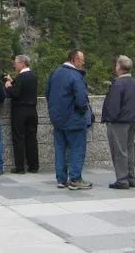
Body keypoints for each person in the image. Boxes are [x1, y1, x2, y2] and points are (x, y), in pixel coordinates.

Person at [45, 49, 93, 190]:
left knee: (60, 149)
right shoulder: (76, 76)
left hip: (57, 119)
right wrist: (83, 111)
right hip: (74, 119)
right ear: (74, 59)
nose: (83, 62)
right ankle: (75, 179)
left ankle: (61, 179)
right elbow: (81, 100)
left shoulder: (55, 73)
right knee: (77, 149)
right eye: (81, 59)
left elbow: (48, 94)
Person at [102, 55, 135, 190]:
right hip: (132, 120)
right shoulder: (133, 82)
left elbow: (113, 105)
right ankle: (131, 177)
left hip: (119, 121)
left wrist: (109, 118)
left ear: (119, 67)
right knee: (129, 149)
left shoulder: (118, 84)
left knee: (119, 150)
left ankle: (122, 179)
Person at [4, 54, 39, 174]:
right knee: (32, 138)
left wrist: (8, 86)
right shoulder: (33, 76)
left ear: (22, 64)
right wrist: (13, 81)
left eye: (16, 63)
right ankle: (33, 165)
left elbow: (15, 94)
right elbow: (25, 89)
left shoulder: (21, 77)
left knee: (19, 138)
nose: (14, 65)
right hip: (32, 110)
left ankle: (20, 167)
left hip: (20, 111)